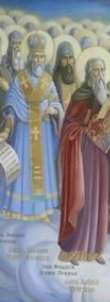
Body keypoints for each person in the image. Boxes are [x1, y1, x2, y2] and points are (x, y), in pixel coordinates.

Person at [58, 57, 110, 265]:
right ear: (88, 73)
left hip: (101, 156)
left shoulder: (108, 98)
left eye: (102, 69)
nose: (100, 74)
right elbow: (69, 127)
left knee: (99, 199)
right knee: (84, 197)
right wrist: (86, 130)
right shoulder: (80, 96)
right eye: (96, 70)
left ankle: (95, 248)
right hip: (83, 154)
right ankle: (74, 249)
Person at [0, 33, 62, 222]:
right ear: (29, 57)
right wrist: (7, 130)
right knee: (23, 169)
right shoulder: (20, 80)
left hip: (43, 134)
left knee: (42, 170)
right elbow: (10, 106)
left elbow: (57, 103)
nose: (38, 60)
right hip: (22, 135)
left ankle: (40, 210)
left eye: (41, 56)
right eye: (35, 56)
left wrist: (53, 109)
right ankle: (18, 208)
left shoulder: (48, 80)